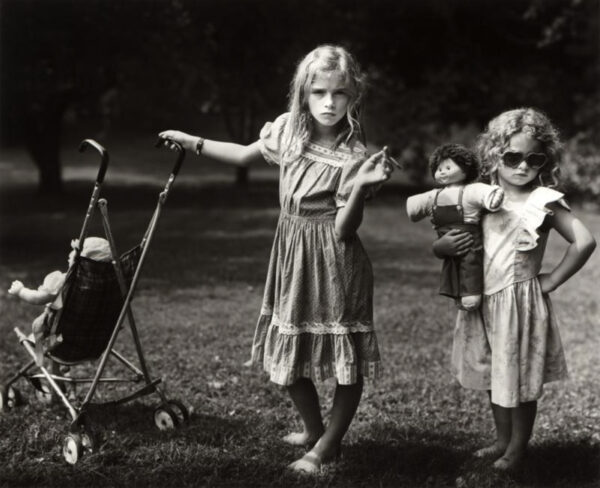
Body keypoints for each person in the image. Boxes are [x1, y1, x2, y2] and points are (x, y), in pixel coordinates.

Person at [159, 44, 398, 474]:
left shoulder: (355, 157)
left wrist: (361, 187)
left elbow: (345, 229)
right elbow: (243, 155)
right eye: (318, 92)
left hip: (336, 260)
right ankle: (312, 428)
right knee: (287, 351)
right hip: (291, 251)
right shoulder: (288, 131)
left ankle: (327, 446)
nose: (329, 102)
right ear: (303, 94)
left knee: (346, 363)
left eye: (339, 93)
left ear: (354, 96)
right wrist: (191, 141)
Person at [433, 108, 596, 473]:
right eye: (512, 157)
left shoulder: (544, 201)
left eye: (534, 159)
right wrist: (443, 249)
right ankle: (502, 440)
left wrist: (551, 280)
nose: (523, 166)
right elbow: (448, 243)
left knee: (519, 381)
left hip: (520, 306)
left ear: (545, 161)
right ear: (494, 154)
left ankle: (518, 449)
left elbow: (584, 242)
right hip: (482, 303)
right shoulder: (477, 198)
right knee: (495, 375)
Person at [406, 144, 504, 310]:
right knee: (451, 267)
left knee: (470, 263)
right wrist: (413, 207)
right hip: (444, 239)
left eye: (448, 167)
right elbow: (414, 207)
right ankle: (457, 294)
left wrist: (492, 197)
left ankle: (471, 293)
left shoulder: (468, 191)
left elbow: (483, 194)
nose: (442, 171)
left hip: (468, 239)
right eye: (439, 169)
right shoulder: (434, 195)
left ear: (465, 170)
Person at [8, 237, 112, 370]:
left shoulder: (64, 281)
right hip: (92, 342)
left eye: (74, 251)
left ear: (81, 261)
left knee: (38, 325)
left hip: (62, 338)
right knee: (60, 332)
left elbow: (37, 299)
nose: (70, 254)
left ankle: (40, 356)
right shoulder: (111, 286)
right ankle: (55, 368)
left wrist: (21, 290)